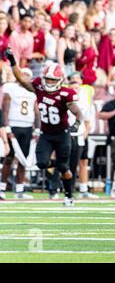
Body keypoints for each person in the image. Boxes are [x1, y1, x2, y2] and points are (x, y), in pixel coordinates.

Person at [5, 49, 83, 206]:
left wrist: (76, 124)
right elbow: (21, 78)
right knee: (41, 164)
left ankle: (68, 195)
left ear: (60, 80)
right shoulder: (39, 87)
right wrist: (13, 60)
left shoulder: (66, 93)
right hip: (46, 134)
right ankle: (61, 164)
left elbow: (77, 112)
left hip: (62, 134)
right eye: (47, 79)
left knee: (64, 169)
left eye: (53, 80)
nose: (50, 82)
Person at [0, 68, 39, 199]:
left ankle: (19, 190)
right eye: (23, 75)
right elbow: (5, 109)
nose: (25, 77)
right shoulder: (10, 88)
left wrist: (37, 129)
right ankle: (2, 189)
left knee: (23, 159)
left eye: (27, 75)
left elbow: (36, 111)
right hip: (14, 125)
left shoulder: (32, 92)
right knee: (9, 158)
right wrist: (7, 127)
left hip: (27, 127)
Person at [67, 72, 98, 199]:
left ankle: (84, 189)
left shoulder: (85, 95)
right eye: (72, 81)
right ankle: (66, 188)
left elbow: (87, 116)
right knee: (69, 163)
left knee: (84, 161)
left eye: (77, 80)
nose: (76, 83)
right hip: (70, 133)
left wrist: (86, 132)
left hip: (82, 132)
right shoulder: (66, 97)